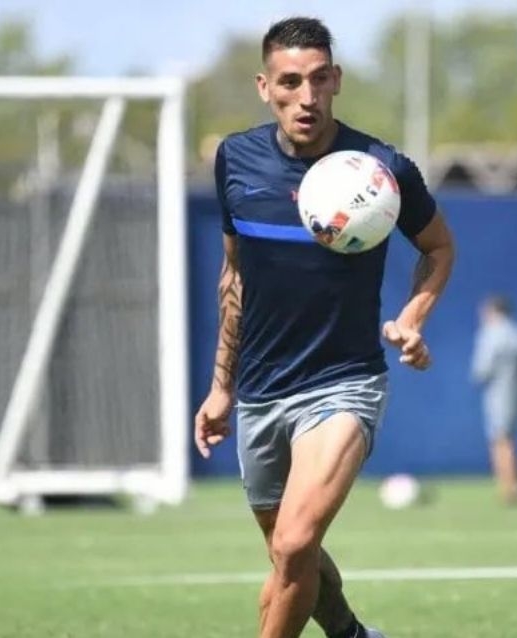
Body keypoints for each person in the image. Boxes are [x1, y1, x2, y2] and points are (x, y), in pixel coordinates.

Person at [193, 16, 455, 638]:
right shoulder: (236, 160)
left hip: (343, 384)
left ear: (336, 79)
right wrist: (222, 386)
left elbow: (439, 247)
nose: (305, 97)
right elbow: (235, 276)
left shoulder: (382, 169)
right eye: (289, 82)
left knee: (293, 544)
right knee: (289, 555)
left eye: (317, 80)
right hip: (260, 391)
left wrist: (413, 317)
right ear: (265, 87)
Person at [470, 294, 517, 506]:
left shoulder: (491, 334)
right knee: (510, 438)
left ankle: (509, 488)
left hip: (499, 395)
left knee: (500, 441)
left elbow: (482, 370)